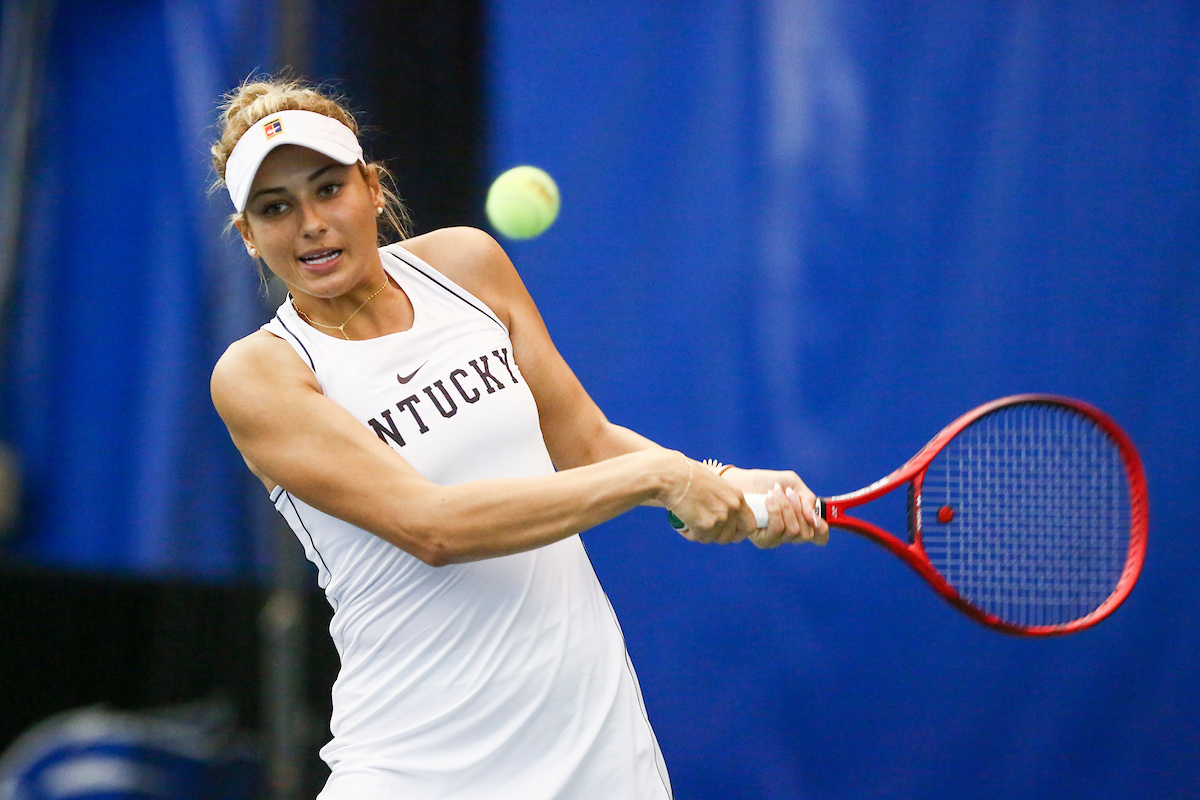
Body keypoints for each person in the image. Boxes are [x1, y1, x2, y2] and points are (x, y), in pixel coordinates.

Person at [208, 77, 829, 800]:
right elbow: (431, 525)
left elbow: (585, 442)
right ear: (250, 237)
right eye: (276, 208)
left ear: (372, 188)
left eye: (327, 189)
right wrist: (663, 479)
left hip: (595, 744)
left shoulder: (466, 265)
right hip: (416, 768)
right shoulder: (260, 374)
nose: (310, 222)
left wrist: (720, 477)